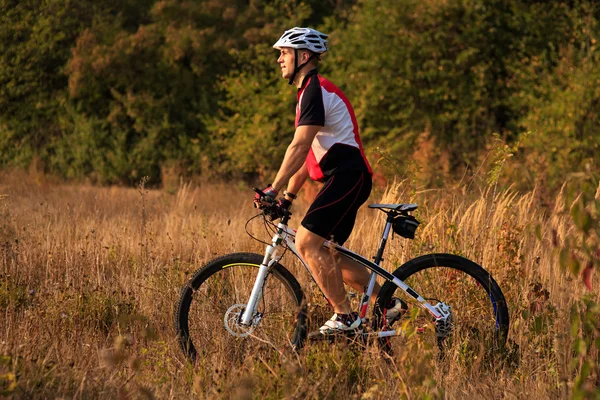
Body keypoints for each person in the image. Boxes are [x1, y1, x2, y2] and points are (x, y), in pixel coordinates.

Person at [254, 27, 405, 334]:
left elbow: (297, 147)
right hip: (348, 178)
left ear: (303, 56)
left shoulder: (314, 90)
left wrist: (274, 188)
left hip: (348, 177)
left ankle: (345, 317)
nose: (279, 59)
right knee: (331, 254)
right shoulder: (308, 92)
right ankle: (389, 306)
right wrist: (288, 197)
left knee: (307, 242)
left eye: (283, 53)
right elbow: (308, 154)